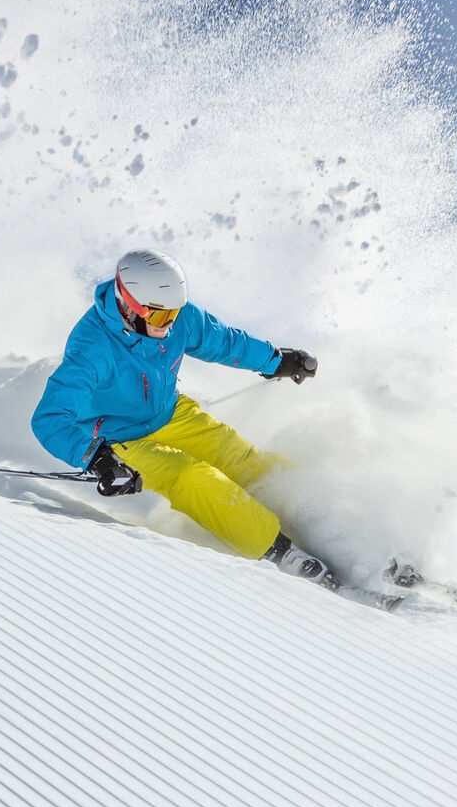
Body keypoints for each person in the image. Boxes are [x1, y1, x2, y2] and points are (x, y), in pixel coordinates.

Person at [31, 250, 333, 586]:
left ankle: (323, 523)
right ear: (130, 306)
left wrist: (274, 361)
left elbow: (221, 340)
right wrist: (98, 459)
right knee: (191, 476)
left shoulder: (175, 317)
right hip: (121, 438)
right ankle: (280, 552)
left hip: (170, 413)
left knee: (238, 455)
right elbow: (49, 418)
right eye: (161, 319)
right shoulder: (93, 348)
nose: (171, 325)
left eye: (174, 314)